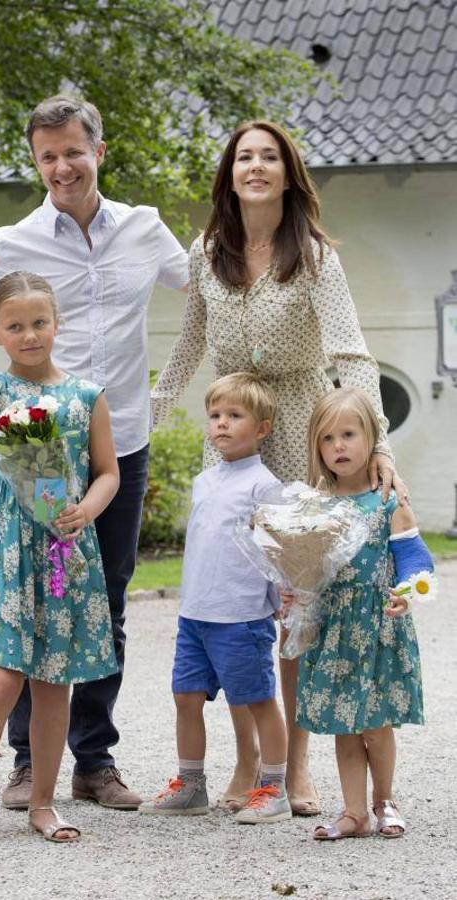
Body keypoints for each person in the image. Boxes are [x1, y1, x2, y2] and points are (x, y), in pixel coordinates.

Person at [0, 95, 188, 810]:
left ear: (98, 150)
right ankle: (27, 764)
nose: (61, 166)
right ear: (36, 163)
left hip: (115, 446)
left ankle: (93, 762)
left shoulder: (146, 229)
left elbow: (211, 289)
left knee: (103, 605)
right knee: (31, 602)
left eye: (72, 151)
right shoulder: (16, 242)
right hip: (31, 473)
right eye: (47, 156)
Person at [150, 120, 407, 816]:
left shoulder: (316, 255)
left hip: (295, 426)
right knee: (233, 602)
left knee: (295, 604)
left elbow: (350, 352)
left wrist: (377, 439)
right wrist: (143, 413)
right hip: (231, 435)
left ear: (288, 174)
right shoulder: (207, 252)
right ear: (228, 175)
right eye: (243, 157)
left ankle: (295, 768)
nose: (255, 167)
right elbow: (188, 345)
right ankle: (246, 767)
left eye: (268, 157)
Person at [0, 233, 120, 848]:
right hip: (9, 547)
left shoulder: (86, 396)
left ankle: (43, 804)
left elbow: (108, 470)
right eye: (16, 325)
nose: (30, 334)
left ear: (57, 323)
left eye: (40, 322)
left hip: (63, 548)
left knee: (53, 680)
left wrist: (86, 508)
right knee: (3, 679)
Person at [140, 372, 291, 824]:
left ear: (262, 428)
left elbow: (276, 551)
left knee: (258, 700)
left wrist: (281, 596)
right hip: (196, 615)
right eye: (215, 415)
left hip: (241, 617)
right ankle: (190, 786)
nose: (222, 424)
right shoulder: (204, 482)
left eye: (235, 415)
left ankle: (273, 788)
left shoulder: (265, 486)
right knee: (186, 697)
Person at [290, 387, 427, 840]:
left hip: (377, 625)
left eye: (348, 434)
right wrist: (293, 593)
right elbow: (306, 570)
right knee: (343, 724)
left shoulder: (388, 499)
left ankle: (384, 800)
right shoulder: (315, 504)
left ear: (371, 437)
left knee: (375, 723)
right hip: (332, 630)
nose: (339, 447)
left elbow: (415, 559)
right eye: (327, 439)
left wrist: (408, 591)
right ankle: (353, 813)